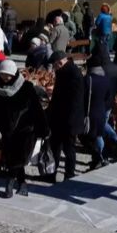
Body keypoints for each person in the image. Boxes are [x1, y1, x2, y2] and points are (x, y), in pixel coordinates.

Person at [0, 59, 48, 198]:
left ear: (14, 74)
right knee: (15, 159)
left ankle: (9, 185)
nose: (5, 77)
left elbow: (37, 109)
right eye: (3, 74)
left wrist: (44, 129)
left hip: (26, 130)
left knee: (17, 159)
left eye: (8, 75)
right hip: (7, 130)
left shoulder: (26, 87)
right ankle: (22, 183)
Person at [46, 51, 84, 182]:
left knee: (69, 149)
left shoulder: (73, 73)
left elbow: (75, 101)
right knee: (55, 148)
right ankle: (51, 174)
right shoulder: (63, 71)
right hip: (60, 118)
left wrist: (69, 122)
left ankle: (69, 175)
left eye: (54, 65)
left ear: (60, 62)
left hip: (69, 120)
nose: (54, 68)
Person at [82, 52, 112, 170]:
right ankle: (100, 159)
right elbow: (108, 96)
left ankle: (97, 158)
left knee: (86, 137)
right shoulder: (106, 79)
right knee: (98, 136)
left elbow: (82, 97)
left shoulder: (87, 80)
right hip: (101, 112)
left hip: (89, 114)